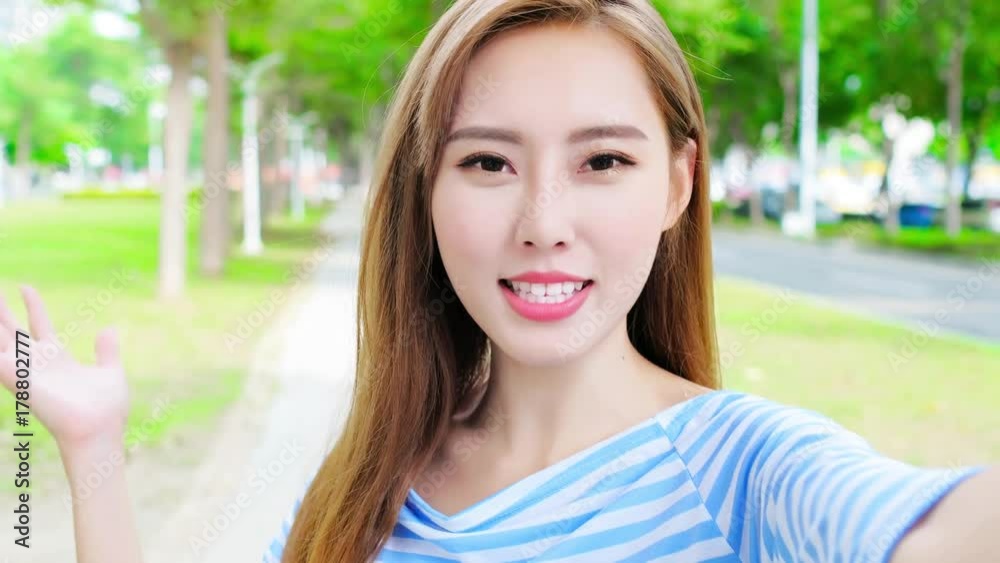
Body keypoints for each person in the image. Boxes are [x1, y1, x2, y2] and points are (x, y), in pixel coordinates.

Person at [0, 1, 997, 562]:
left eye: (602, 160)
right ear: (426, 193)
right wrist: (92, 447)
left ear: (677, 182)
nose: (543, 222)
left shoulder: (751, 471)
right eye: (487, 161)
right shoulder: (366, 487)